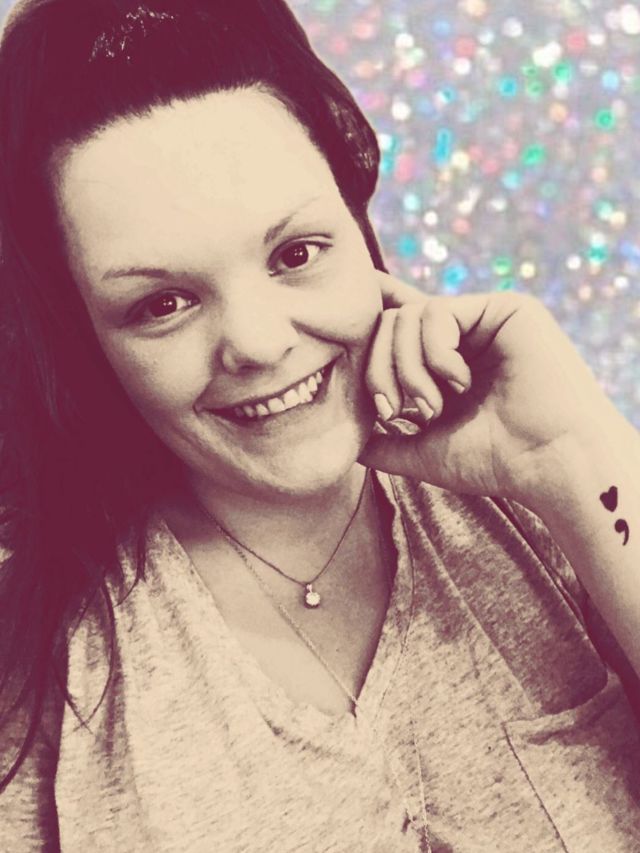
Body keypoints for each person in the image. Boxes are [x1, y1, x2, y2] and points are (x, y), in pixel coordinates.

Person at [0, 0, 639, 850]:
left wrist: (572, 455)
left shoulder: (545, 497)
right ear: (86, 340)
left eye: (296, 253)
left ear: (355, 224)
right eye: (162, 304)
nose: (260, 343)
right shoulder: (43, 672)